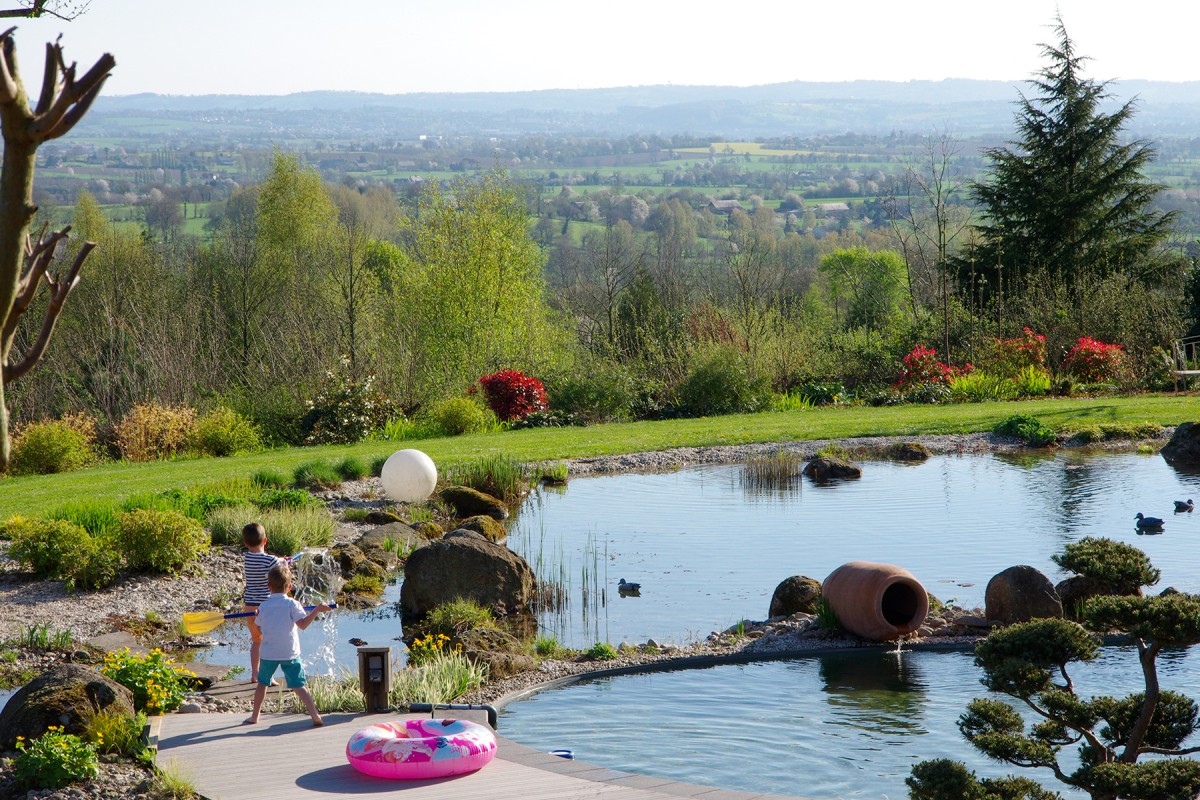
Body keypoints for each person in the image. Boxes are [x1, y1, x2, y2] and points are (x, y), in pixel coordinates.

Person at [244, 562, 331, 727]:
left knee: (263, 684)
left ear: (269, 586)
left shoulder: (264, 606)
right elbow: (303, 624)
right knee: (299, 686)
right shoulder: (292, 604)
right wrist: (317, 610)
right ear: (290, 587)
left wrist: (258, 614)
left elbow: (260, 629)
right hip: (290, 653)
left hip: (269, 653)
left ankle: (255, 716)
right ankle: (315, 715)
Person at [241, 522, 284, 683]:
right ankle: (267, 676)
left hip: (249, 606)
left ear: (245, 543)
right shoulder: (271, 561)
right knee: (268, 643)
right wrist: (285, 562)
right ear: (265, 540)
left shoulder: (247, 558)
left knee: (257, 641)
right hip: (265, 607)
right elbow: (280, 569)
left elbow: (267, 560)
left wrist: (280, 560)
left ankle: (255, 674)